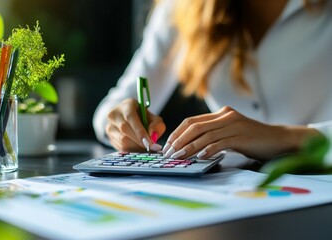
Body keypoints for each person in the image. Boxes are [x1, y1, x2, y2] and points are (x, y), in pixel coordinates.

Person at [93, 0, 332, 162]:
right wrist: (120, 122)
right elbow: (112, 108)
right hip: (233, 194)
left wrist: (285, 138)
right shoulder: (183, 8)